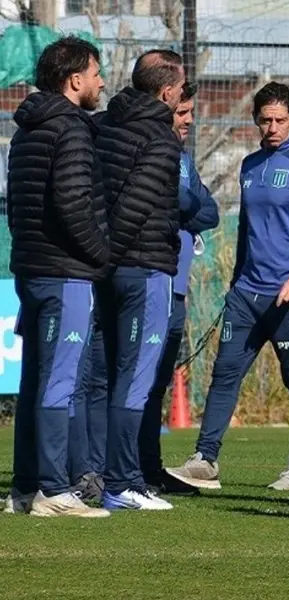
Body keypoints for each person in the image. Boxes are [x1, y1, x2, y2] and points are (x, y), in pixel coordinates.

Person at [166, 82, 289, 491]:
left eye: (280, 120)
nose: (272, 127)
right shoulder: (250, 165)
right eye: (265, 120)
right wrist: (236, 279)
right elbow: (247, 230)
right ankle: (205, 460)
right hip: (246, 294)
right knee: (225, 374)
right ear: (255, 120)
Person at [3, 37, 110, 518]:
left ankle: (24, 490)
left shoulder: (27, 129)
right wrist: (100, 256)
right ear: (74, 80)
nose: (101, 81)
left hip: (31, 269)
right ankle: (52, 490)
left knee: (36, 381)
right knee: (60, 382)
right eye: (96, 72)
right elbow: (71, 203)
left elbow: (22, 207)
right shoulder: (70, 128)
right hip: (65, 273)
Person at [93, 49, 186, 511]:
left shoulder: (106, 124)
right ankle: (123, 481)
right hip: (143, 267)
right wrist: (112, 255)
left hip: (106, 268)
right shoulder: (161, 138)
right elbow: (135, 205)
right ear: (167, 91)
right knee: (136, 378)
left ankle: (103, 474)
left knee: (111, 374)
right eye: (182, 89)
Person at [138, 81, 220, 496]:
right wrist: (184, 205)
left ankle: (149, 468)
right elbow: (180, 203)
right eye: (183, 112)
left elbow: (210, 210)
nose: (189, 121)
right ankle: (128, 470)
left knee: (158, 383)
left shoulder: (184, 158)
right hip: (152, 281)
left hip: (177, 289)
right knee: (139, 380)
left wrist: (186, 204)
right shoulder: (151, 151)